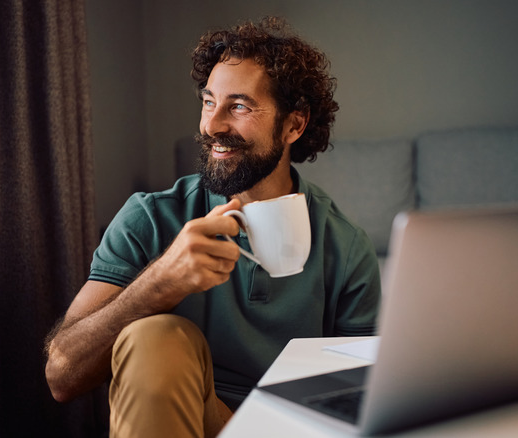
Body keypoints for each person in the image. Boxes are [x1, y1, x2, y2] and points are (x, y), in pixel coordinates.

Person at [44, 17, 381, 437]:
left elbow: (360, 399)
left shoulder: (345, 248)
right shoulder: (150, 218)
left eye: (238, 106)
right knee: (156, 335)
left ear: (294, 124)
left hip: (289, 430)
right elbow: (61, 375)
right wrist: (158, 285)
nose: (212, 125)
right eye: (208, 102)